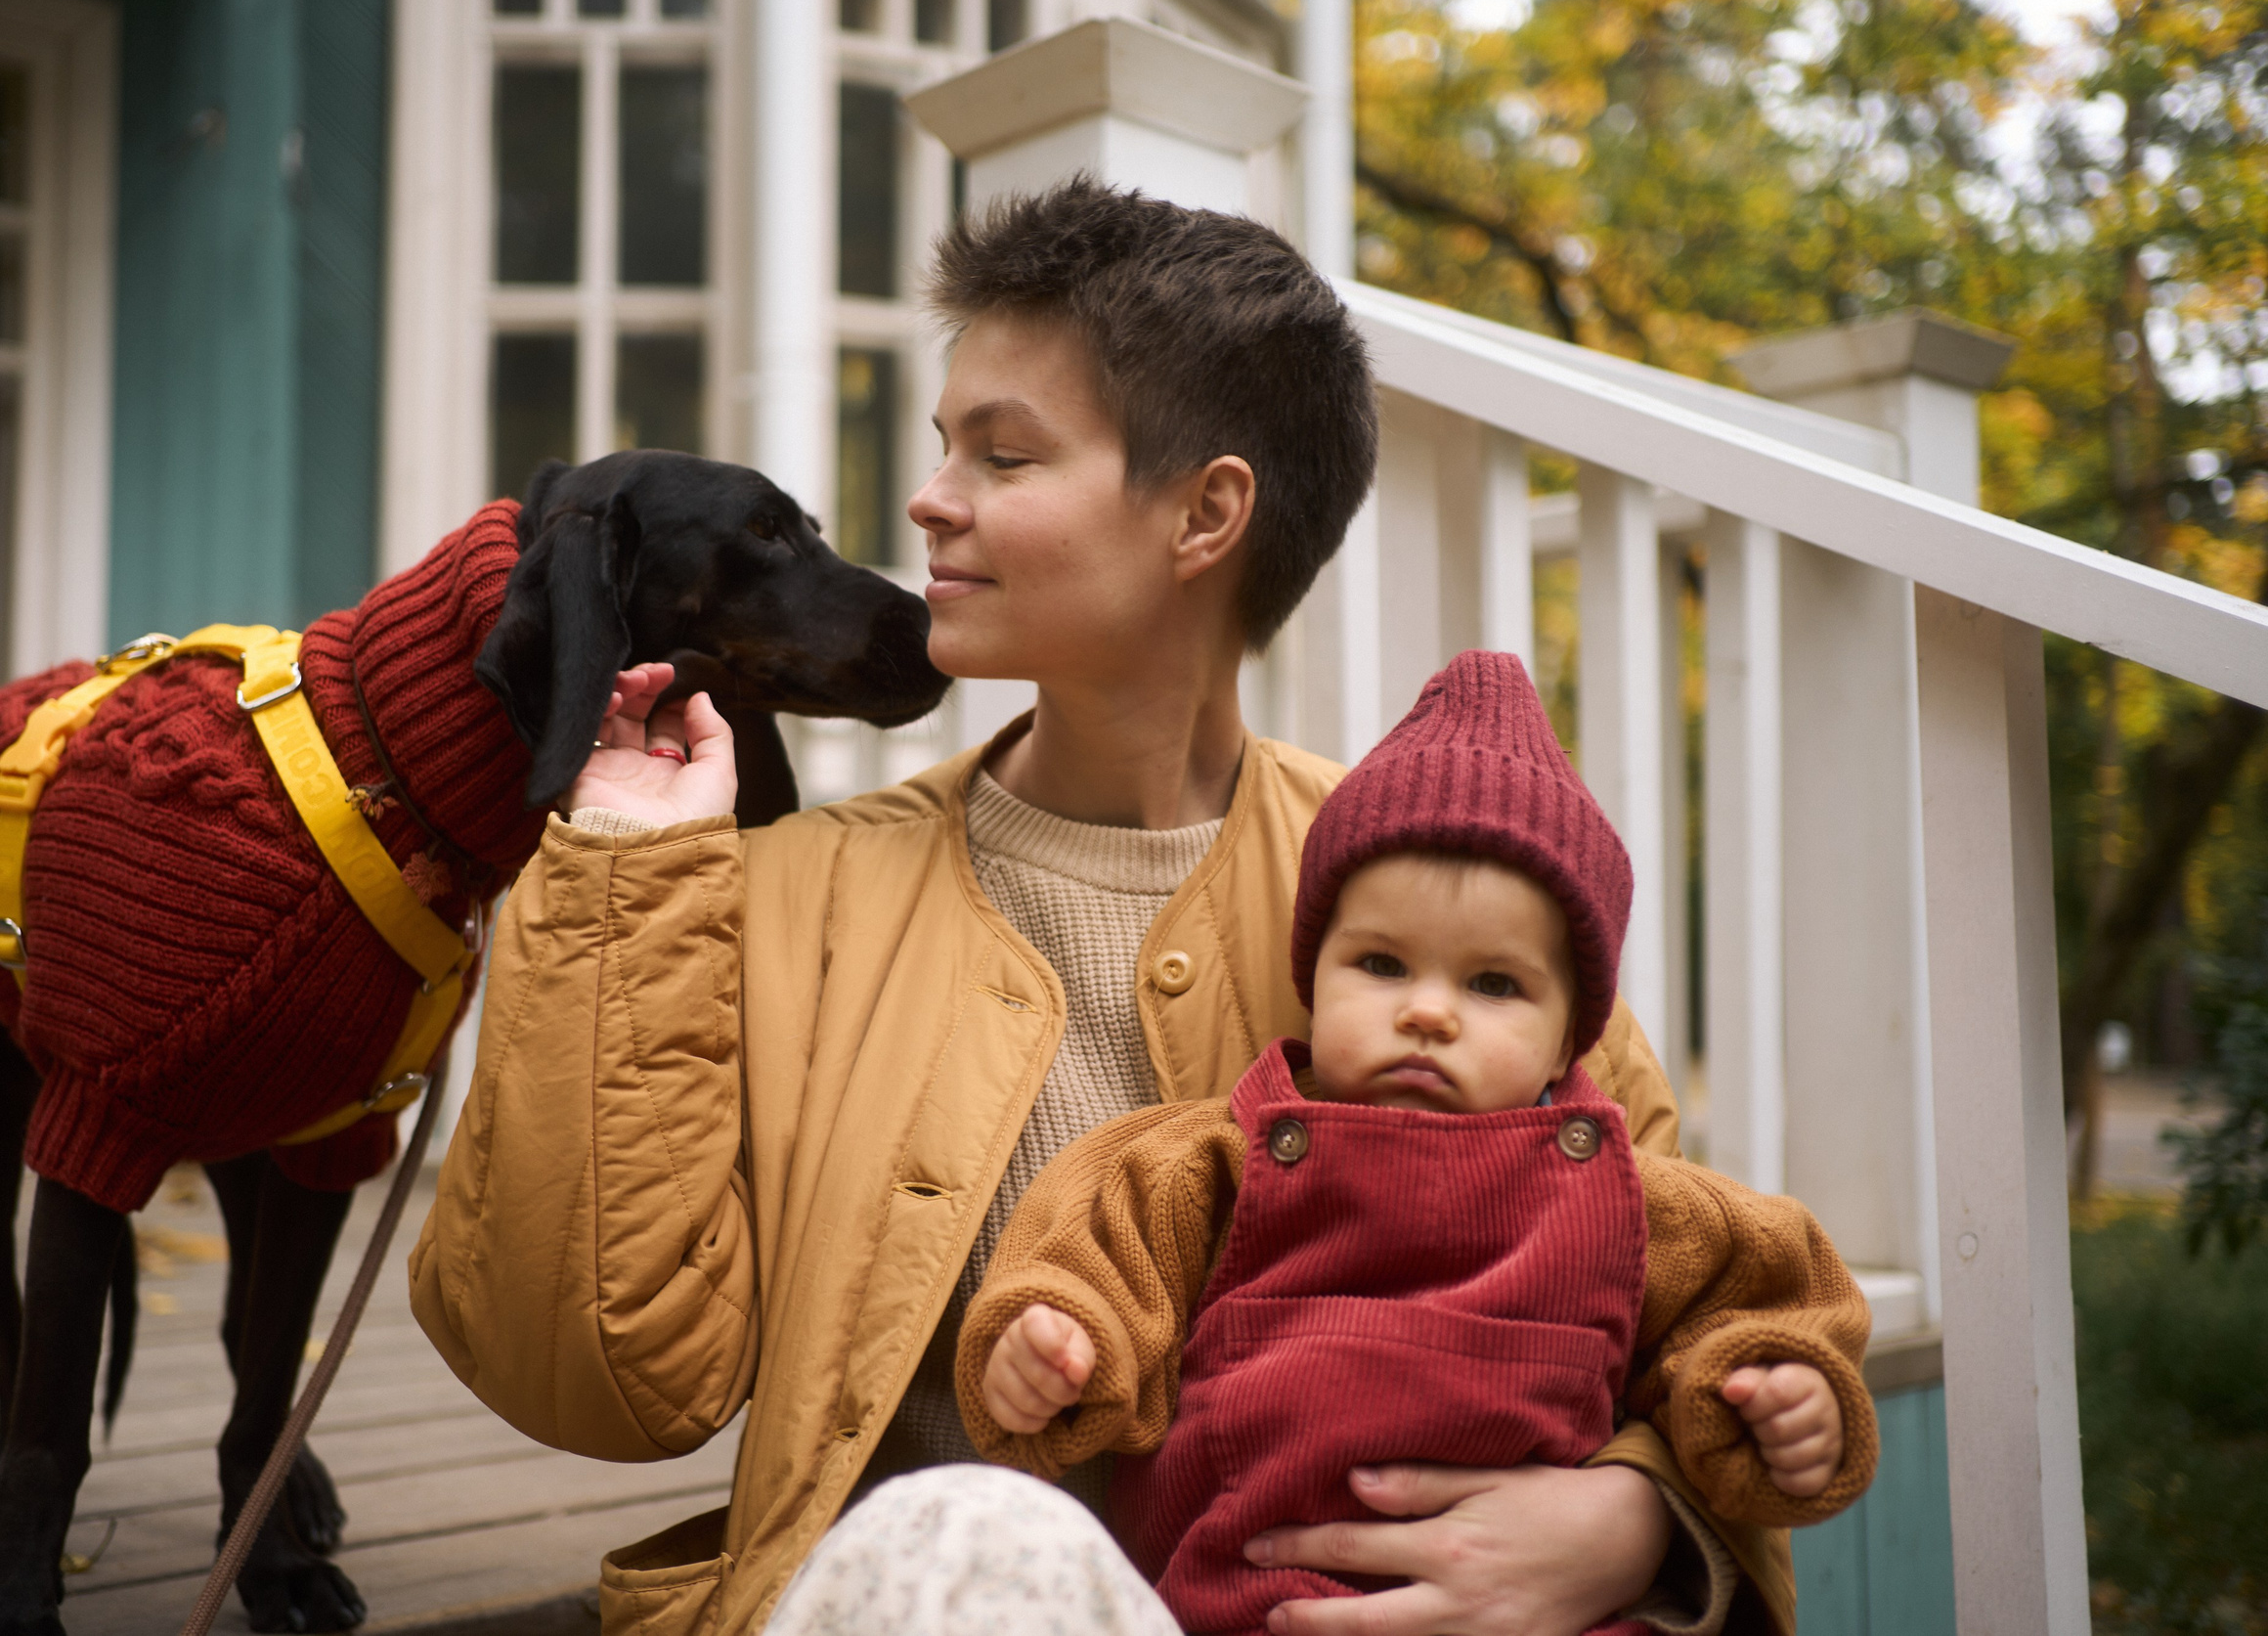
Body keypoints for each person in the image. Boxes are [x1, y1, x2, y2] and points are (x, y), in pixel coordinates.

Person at [410, 178, 1794, 1636]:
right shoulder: (784, 891)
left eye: (1004, 453)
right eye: (946, 446)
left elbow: (1684, 1298)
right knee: (962, 1524)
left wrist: (1642, 1512)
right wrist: (622, 877)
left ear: (1207, 512)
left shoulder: (1459, 899)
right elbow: (587, 1375)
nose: (932, 497)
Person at [961, 650, 1878, 1636]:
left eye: (1493, 985)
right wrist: (1054, 1337)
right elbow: (1092, 1244)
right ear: (1314, 975)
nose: (1429, 1013)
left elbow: (1770, 1291)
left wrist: (1783, 1395)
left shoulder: (1631, 1202)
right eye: (1383, 965)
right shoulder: (1207, 1164)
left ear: (1572, 1037)